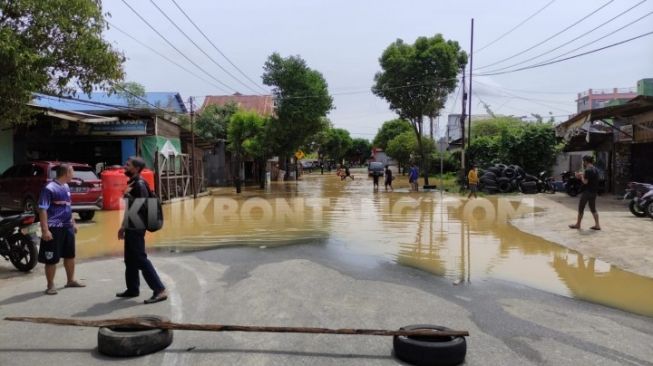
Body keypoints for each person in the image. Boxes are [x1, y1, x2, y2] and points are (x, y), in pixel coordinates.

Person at [116, 156, 168, 304]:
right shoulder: (133, 182)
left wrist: (127, 195)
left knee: (140, 259)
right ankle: (133, 289)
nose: (125, 166)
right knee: (130, 260)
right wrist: (123, 226)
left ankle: (160, 290)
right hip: (132, 225)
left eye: (128, 165)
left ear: (136, 168)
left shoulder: (139, 184)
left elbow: (144, 207)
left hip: (137, 227)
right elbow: (130, 208)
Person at [37, 164, 85, 295]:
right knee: (51, 258)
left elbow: (68, 207)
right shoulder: (49, 188)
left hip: (67, 227)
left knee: (70, 255)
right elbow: (42, 209)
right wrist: (45, 230)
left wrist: (73, 222)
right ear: (66, 173)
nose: (74, 174)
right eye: (72, 171)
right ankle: (50, 285)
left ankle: (70, 280)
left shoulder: (66, 186)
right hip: (54, 228)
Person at [569, 155, 601, 231]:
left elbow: (585, 182)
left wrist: (581, 177)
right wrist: (582, 175)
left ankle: (578, 224)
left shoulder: (588, 170)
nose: (583, 162)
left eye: (583, 161)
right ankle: (597, 225)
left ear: (586, 161)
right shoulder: (595, 169)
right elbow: (590, 178)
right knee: (593, 209)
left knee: (581, 208)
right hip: (594, 192)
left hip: (587, 192)